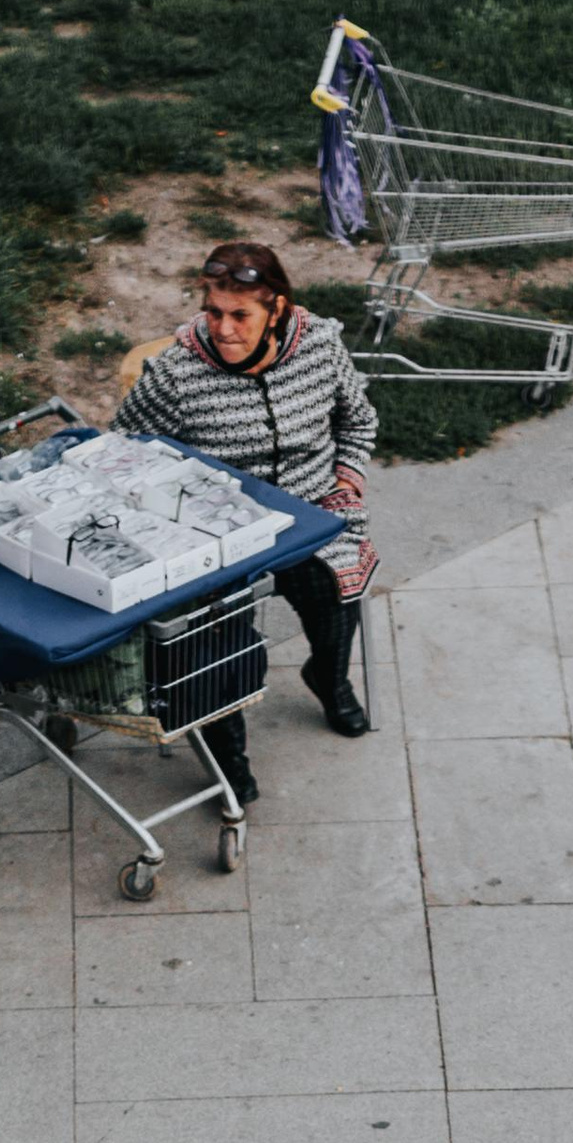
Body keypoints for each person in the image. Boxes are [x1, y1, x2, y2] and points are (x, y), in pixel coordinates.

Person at [116, 241, 378, 808]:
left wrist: (347, 482)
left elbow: (357, 420)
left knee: (337, 597)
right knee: (216, 645)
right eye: (213, 312)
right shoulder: (176, 374)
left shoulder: (320, 348)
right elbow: (129, 455)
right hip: (218, 536)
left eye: (240, 315)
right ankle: (226, 758)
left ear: (277, 311)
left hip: (313, 512)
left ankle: (328, 681)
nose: (224, 329)